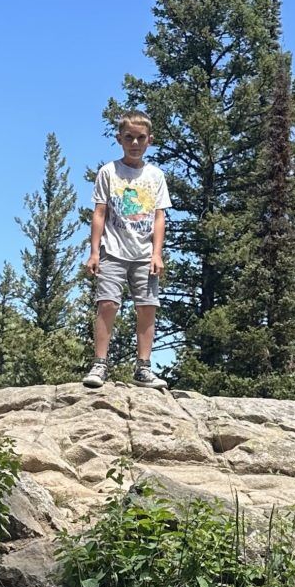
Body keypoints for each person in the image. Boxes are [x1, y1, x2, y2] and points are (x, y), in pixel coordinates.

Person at [83, 112, 170, 389]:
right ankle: (99, 364)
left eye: (140, 138)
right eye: (129, 137)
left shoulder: (155, 175)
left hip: (145, 254)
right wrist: (95, 252)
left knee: (147, 308)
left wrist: (157, 253)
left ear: (150, 141)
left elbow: (159, 217)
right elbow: (99, 212)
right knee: (107, 304)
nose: (135, 142)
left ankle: (143, 367)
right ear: (119, 139)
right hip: (113, 250)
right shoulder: (108, 172)